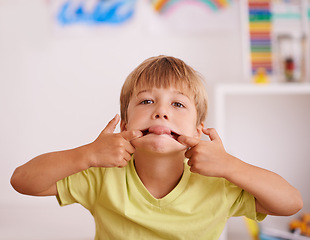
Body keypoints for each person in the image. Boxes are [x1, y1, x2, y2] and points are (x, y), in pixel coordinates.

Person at [11, 55, 303, 240]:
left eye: (177, 104)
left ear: (199, 129)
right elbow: (22, 181)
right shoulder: (101, 173)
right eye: (146, 101)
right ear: (125, 123)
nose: (162, 112)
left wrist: (231, 166)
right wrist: (86, 154)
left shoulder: (221, 183)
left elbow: (291, 203)